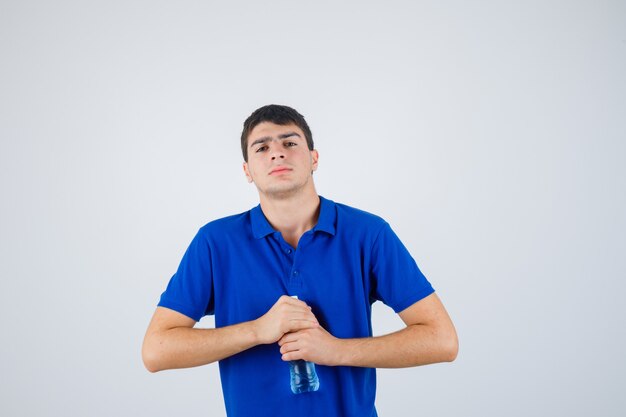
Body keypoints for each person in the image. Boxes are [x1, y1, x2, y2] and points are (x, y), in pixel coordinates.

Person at [142, 104, 458, 417]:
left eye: (290, 143)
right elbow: (156, 350)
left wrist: (336, 350)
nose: (277, 153)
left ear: (314, 158)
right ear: (247, 171)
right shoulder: (215, 242)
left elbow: (441, 340)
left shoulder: (368, 234)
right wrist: (257, 330)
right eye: (262, 147)